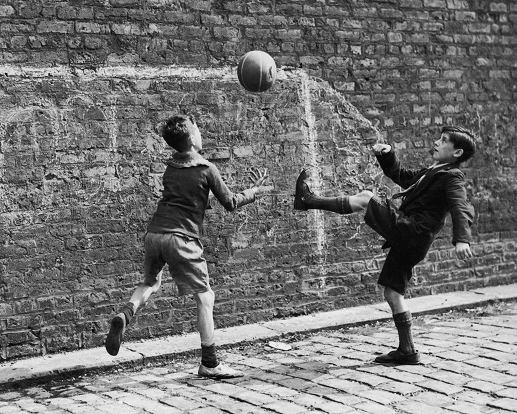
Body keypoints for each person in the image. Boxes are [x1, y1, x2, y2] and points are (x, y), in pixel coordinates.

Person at [105, 114, 273, 379]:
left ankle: (126, 314)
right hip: (181, 239)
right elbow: (229, 202)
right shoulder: (206, 168)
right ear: (193, 138)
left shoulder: (171, 167)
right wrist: (254, 192)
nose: (200, 132)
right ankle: (210, 362)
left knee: (150, 283)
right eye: (197, 129)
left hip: (154, 234)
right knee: (206, 298)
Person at [294, 126, 476, 365]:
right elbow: (400, 175)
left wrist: (462, 238)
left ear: (457, 152)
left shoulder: (452, 177)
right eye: (438, 138)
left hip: (411, 231)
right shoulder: (433, 171)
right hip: (412, 240)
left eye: (443, 141)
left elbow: (459, 206)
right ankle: (407, 350)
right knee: (392, 292)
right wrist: (387, 153)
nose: (436, 142)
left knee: (366, 198)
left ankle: (308, 201)